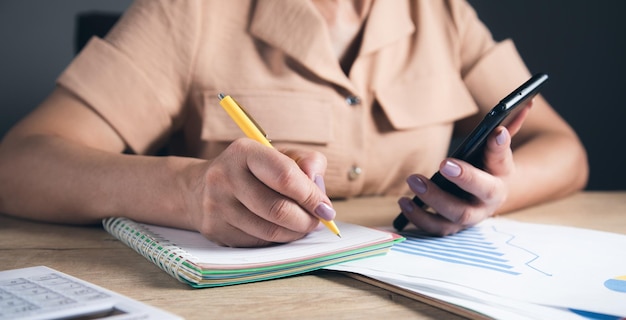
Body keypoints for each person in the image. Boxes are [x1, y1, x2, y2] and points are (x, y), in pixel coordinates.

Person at [0, 0, 587, 247]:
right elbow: (21, 161)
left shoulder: (440, 13)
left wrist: (494, 195)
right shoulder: (192, 12)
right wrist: (187, 191)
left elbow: (563, 148)